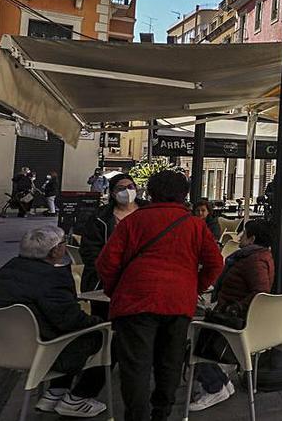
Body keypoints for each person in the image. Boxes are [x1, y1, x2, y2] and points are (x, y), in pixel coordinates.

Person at [95, 170, 223, 421]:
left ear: (150, 192)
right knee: (170, 362)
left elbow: (106, 264)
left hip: (135, 301)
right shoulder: (194, 225)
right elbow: (215, 264)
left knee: (135, 366)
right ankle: (161, 413)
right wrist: (194, 287)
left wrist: (115, 290)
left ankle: (137, 415)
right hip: (177, 302)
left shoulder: (132, 222)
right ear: (184, 195)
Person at [0, 226, 109, 418]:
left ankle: (56, 392)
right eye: (62, 244)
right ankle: (78, 397)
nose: (65, 248)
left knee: (64, 331)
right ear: (54, 251)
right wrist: (101, 322)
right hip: (43, 351)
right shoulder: (52, 278)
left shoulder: (8, 269)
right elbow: (70, 320)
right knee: (109, 339)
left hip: (2, 347)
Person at [188, 220, 275, 411]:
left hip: (232, 317)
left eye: (244, 234)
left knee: (186, 336)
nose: (240, 237)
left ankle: (214, 386)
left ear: (252, 239)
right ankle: (219, 381)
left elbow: (260, 292)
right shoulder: (255, 256)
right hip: (230, 311)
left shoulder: (253, 260)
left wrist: (232, 308)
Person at [77, 173, 143, 316]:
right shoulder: (100, 217)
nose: (127, 191)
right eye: (121, 188)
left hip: (141, 279)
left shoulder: (147, 212)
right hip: (106, 281)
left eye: (130, 186)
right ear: (112, 193)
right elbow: (89, 249)